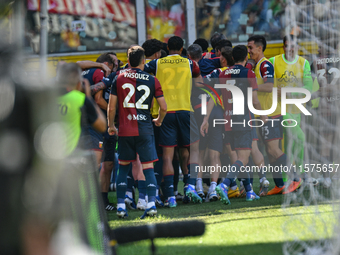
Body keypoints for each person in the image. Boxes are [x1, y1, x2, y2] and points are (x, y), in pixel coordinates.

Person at [201, 45, 267, 204]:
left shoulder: (223, 73)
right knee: (243, 159)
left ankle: (250, 191)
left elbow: (212, 98)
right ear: (245, 58)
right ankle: (224, 184)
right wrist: (264, 115)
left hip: (228, 121)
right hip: (243, 119)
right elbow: (255, 100)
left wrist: (205, 119)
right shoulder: (248, 73)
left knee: (238, 158)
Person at [107, 46, 167, 219]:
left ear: (127, 60)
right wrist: (159, 120)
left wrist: (111, 126)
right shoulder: (152, 79)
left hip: (125, 130)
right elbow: (163, 107)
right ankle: (151, 204)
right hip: (145, 129)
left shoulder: (118, 77)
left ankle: (120, 206)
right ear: (144, 61)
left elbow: (112, 107)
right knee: (148, 168)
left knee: (124, 168)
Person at [144, 36, 202, 207]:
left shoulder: (156, 64)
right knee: (192, 150)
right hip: (185, 110)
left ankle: (170, 196)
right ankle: (190, 186)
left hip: (165, 112)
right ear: (183, 47)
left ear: (167, 48)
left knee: (168, 156)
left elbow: (142, 74)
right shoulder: (190, 63)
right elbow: (201, 84)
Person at [269, 35, 313, 193]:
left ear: (297, 47)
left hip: (297, 111)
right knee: (300, 137)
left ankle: (288, 180)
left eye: (293, 46)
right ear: (283, 47)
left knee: (290, 144)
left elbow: (308, 88)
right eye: (287, 46)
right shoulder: (274, 62)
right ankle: (297, 177)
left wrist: (287, 92)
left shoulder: (304, 63)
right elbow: (268, 85)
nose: (290, 49)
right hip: (280, 110)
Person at [247, 35, 289, 196]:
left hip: (271, 114)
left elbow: (270, 86)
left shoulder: (265, 64)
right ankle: (279, 184)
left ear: (259, 48)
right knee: (270, 151)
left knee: (273, 150)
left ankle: (297, 178)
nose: (248, 51)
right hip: (265, 113)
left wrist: (250, 85)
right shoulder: (258, 65)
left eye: (251, 47)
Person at [56, 63, 106, 156]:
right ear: (79, 83)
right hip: (70, 157)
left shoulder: (45, 98)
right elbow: (102, 126)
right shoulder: (80, 99)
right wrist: (89, 98)